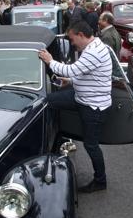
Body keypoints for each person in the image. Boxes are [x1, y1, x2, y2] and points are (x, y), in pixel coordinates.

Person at [38, 20, 112, 193]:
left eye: (72, 39)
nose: (72, 44)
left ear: (81, 35)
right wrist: (70, 82)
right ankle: (59, 138)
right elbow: (84, 73)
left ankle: (100, 181)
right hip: (82, 97)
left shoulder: (93, 52)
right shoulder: (94, 47)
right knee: (48, 102)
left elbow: (71, 70)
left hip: (93, 105)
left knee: (91, 145)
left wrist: (50, 60)